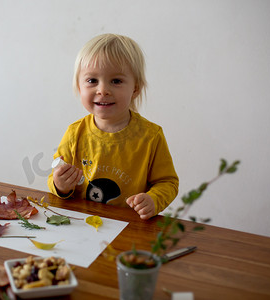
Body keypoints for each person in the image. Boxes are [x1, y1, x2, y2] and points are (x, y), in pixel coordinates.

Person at [47, 33, 179, 219]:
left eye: (116, 81)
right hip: (80, 224)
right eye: (92, 80)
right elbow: (55, 178)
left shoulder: (151, 136)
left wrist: (153, 200)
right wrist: (60, 185)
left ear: (135, 88)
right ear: (79, 86)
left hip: (128, 228)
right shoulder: (75, 132)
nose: (102, 90)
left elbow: (167, 182)